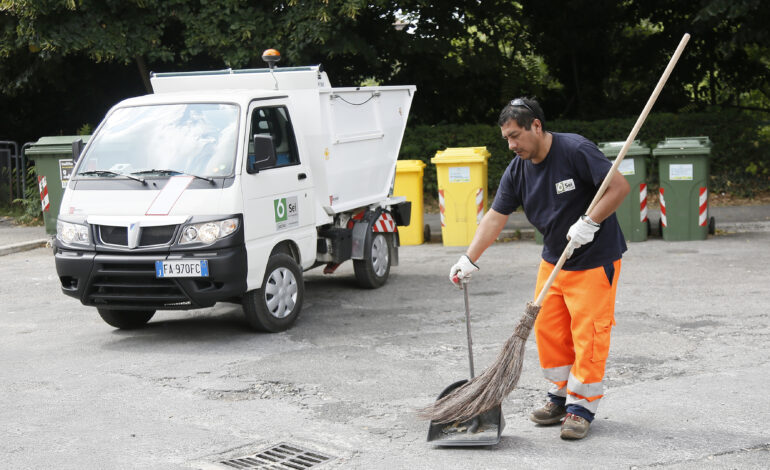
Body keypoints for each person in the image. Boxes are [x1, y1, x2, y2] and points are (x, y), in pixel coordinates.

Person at [449, 97, 630, 440]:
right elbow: (495, 217)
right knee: (549, 332)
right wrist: (469, 258)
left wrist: (590, 221)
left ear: (536, 126)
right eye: (506, 138)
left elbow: (618, 187)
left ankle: (582, 408)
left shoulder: (575, 150)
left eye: (516, 135)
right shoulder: (517, 170)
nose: (512, 144)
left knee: (588, 334)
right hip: (553, 261)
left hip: (594, 260)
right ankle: (559, 398)